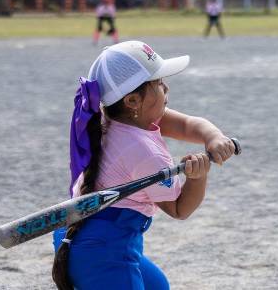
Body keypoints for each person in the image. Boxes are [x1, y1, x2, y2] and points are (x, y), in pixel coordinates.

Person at [51, 41, 236, 290]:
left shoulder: (112, 117)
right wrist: (197, 177)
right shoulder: (144, 152)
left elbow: (186, 124)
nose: (166, 86)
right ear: (133, 101)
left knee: (157, 286)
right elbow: (179, 209)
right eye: (158, 83)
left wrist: (212, 136)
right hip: (103, 249)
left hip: (82, 234)